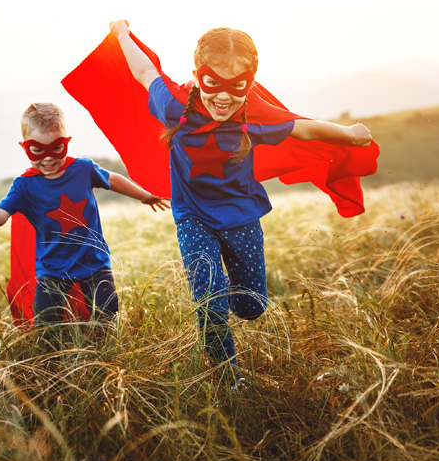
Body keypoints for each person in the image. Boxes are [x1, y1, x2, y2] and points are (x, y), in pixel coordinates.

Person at [106, 20, 372, 380]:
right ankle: (227, 377)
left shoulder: (255, 115)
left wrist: (350, 135)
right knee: (210, 301)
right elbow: (144, 71)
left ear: (251, 82)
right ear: (197, 76)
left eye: (237, 85)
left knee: (251, 307)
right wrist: (122, 34)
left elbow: (305, 128)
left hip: (242, 217)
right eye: (212, 82)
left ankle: (232, 293)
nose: (223, 96)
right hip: (193, 218)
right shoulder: (174, 107)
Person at [0, 102, 168, 335]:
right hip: (52, 269)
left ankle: (103, 348)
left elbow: (111, 179)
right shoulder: (24, 185)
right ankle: (57, 354)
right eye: (37, 150)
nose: (48, 158)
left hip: (94, 261)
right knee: (47, 325)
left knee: (107, 312)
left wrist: (144, 196)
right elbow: (2, 217)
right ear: (24, 147)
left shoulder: (83, 169)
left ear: (67, 142)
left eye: (57, 148)